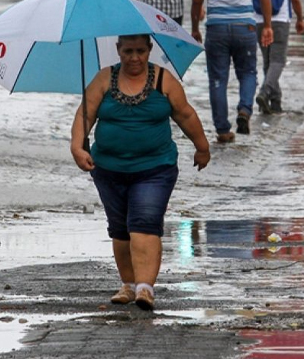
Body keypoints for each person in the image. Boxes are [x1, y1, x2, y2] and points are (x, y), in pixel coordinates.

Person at [70, 34, 210, 311]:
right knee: (120, 229)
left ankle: (145, 288)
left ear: (149, 50)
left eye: (140, 51)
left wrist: (202, 146)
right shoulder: (102, 79)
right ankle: (128, 285)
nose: (134, 57)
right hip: (108, 169)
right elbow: (84, 116)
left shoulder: (163, 80)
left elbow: (185, 114)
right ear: (118, 50)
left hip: (155, 168)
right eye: (128, 51)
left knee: (144, 222)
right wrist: (77, 147)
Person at [190, 0, 273, 143]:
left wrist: (195, 29)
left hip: (216, 29)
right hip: (245, 27)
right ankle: (245, 110)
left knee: (218, 79)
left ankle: (223, 130)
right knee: (248, 73)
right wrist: (268, 26)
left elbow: (197, 2)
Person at [253, 0, 304, 115]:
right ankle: (265, 92)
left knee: (268, 61)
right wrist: (300, 18)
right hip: (280, 20)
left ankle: (275, 102)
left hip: (259, 20)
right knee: (278, 61)